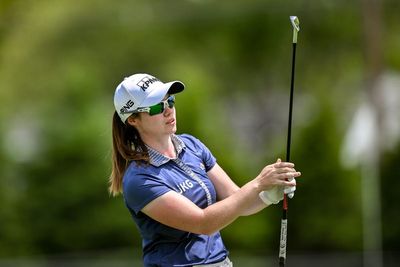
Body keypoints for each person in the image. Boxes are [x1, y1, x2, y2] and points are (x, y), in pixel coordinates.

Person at [109, 73, 301, 267]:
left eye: (170, 102)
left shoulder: (192, 145)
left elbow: (237, 199)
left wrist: (268, 194)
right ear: (133, 119)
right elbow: (203, 223)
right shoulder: (139, 179)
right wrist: (258, 183)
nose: (168, 111)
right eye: (157, 107)